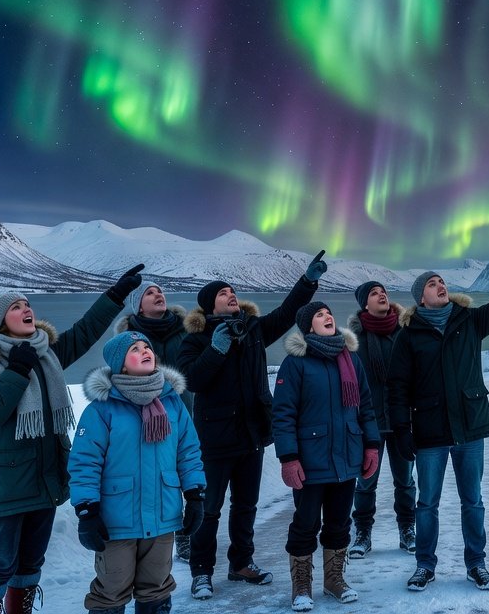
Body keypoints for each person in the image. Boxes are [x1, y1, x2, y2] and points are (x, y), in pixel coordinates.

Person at [0, 264, 145, 614]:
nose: (26, 309)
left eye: (27, 304)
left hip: (45, 477)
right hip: (5, 482)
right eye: (15, 307)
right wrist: (16, 369)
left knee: (31, 562)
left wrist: (116, 295)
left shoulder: (45, 354)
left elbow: (86, 331)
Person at [386, 244, 489, 593]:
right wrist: (402, 429)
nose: (440, 285)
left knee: (472, 501)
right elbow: (397, 387)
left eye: (442, 280)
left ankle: (477, 564)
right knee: (427, 502)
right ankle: (424, 566)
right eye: (431, 283)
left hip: (469, 428)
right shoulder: (409, 335)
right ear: (420, 297)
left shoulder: (470, 321)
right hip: (430, 431)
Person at [178, 252, 327, 601]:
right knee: (209, 508)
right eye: (222, 293)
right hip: (214, 439)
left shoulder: (254, 329)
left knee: (246, 505)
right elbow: (192, 380)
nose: (231, 295)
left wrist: (307, 282)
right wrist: (215, 350)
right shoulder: (196, 339)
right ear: (209, 305)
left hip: (252, 433)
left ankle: (241, 563)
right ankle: (201, 571)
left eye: (232, 290)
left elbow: (288, 312)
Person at [69, 331, 206, 614]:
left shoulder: (172, 403)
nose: (145, 351)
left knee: (156, 587)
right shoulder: (102, 409)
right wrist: (87, 511)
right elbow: (85, 461)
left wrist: (195, 495)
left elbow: (188, 452)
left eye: (147, 346)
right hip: (117, 520)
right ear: (120, 364)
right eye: (135, 348)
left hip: (162, 515)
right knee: (111, 590)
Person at [270, 302, 380, 611]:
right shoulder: (296, 363)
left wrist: (371, 445)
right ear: (307, 327)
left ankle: (334, 580)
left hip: (347, 456)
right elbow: (283, 414)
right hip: (310, 459)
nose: (327, 316)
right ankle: (301, 585)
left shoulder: (351, 360)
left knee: (339, 522)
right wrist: (288, 457)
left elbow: (366, 408)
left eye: (328, 312)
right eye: (319, 315)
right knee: (305, 524)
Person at [116, 280, 196, 561]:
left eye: (159, 291)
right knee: (157, 474)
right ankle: (155, 532)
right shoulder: (128, 338)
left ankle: (187, 534)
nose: (158, 294)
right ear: (138, 305)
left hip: (186, 409)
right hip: (143, 415)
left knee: (186, 471)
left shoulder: (186, 328)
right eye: (149, 293)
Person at [345, 280, 415, 558]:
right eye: (374, 293)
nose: (381, 295)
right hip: (368, 423)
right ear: (365, 304)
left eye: (382, 291)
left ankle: (407, 529)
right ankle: (362, 533)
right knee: (365, 483)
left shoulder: (404, 332)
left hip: (401, 421)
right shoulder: (352, 340)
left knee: (406, 481)